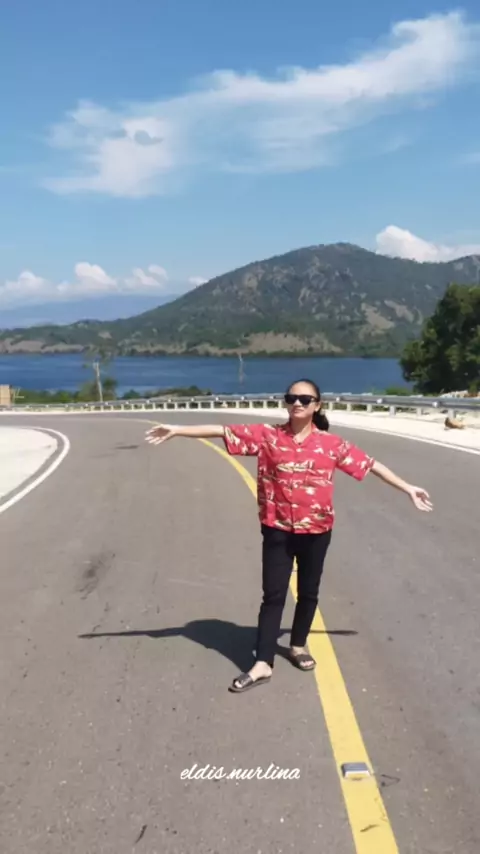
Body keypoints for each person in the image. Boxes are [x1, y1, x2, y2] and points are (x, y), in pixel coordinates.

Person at [146, 378, 432, 694]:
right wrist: (177, 430)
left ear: (317, 405)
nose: (297, 403)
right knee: (273, 595)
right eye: (291, 397)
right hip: (277, 529)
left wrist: (408, 488)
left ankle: (297, 645)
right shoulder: (268, 436)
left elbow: (371, 465)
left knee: (308, 592)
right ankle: (262, 662)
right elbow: (221, 430)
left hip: (317, 531)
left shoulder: (332, 444)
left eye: (305, 399)